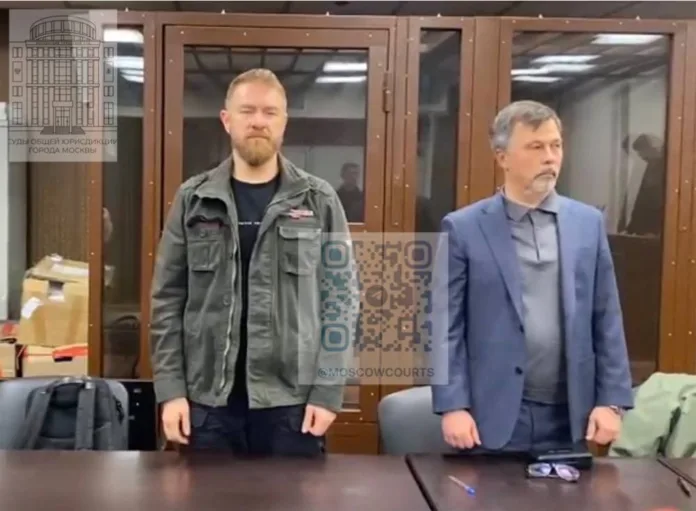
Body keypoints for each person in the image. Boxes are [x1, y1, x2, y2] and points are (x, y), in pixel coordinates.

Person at [149, 68, 358, 456]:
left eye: (269, 112)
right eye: (247, 111)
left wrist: (328, 391)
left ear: (284, 122)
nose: (258, 121)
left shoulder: (318, 200)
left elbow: (341, 302)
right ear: (227, 120)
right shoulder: (193, 199)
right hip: (207, 404)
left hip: (293, 406)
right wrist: (171, 390)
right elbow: (167, 301)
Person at [430, 100, 634, 453]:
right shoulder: (463, 228)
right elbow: (444, 325)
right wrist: (452, 406)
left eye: (556, 146)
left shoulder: (587, 224)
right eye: (536, 147)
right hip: (491, 416)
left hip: (572, 415)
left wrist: (612, 401)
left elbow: (607, 317)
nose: (550, 158)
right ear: (502, 157)